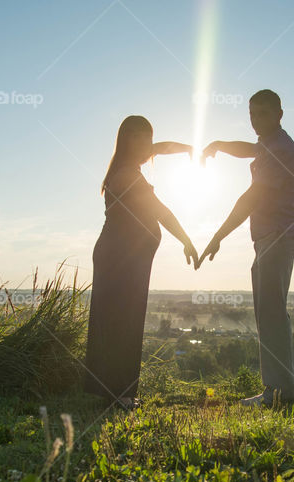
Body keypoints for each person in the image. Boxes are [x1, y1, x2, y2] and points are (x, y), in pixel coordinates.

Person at [84, 115, 199, 410]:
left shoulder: (129, 166)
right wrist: (186, 239)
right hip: (120, 256)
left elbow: (159, 148)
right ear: (129, 140)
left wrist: (185, 147)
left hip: (125, 256)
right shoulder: (127, 174)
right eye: (142, 138)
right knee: (124, 321)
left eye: (149, 137)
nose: (149, 144)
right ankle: (120, 395)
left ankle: (113, 392)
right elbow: (159, 210)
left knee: (122, 319)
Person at [200, 89, 294, 407]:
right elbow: (250, 149)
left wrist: (218, 234)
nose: (256, 120)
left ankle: (280, 392)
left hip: (277, 232)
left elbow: (250, 198)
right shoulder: (270, 145)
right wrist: (219, 145)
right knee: (269, 309)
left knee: (271, 311)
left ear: (279, 114)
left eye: (262, 113)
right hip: (269, 235)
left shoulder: (279, 150)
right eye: (252, 114)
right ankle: (281, 388)